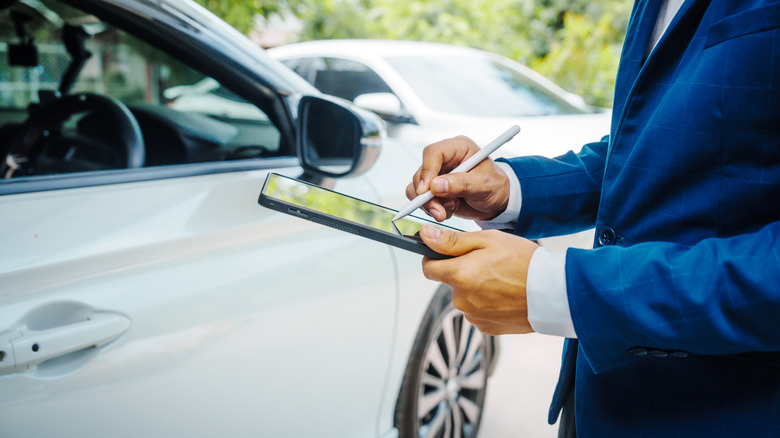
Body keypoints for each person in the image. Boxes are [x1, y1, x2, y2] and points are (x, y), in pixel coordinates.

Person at [404, 0, 780, 436]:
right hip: (593, 407)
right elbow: (647, 153)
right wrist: (509, 188)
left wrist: (566, 292)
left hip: (725, 414)